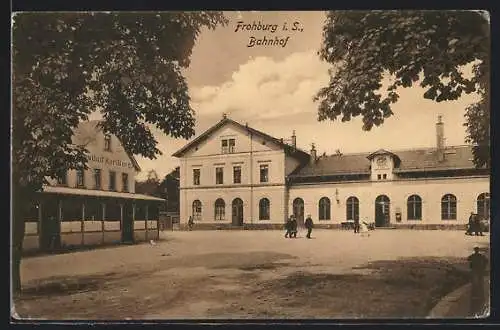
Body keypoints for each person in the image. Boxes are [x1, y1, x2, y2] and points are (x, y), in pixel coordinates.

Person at [467, 247, 488, 316]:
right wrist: (484, 266)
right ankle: (480, 292)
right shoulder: (480, 256)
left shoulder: (473, 256)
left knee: (475, 280)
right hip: (479, 270)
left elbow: (468, 259)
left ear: (475, 250)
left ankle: (476, 292)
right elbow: (486, 260)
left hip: (476, 270)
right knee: (479, 280)